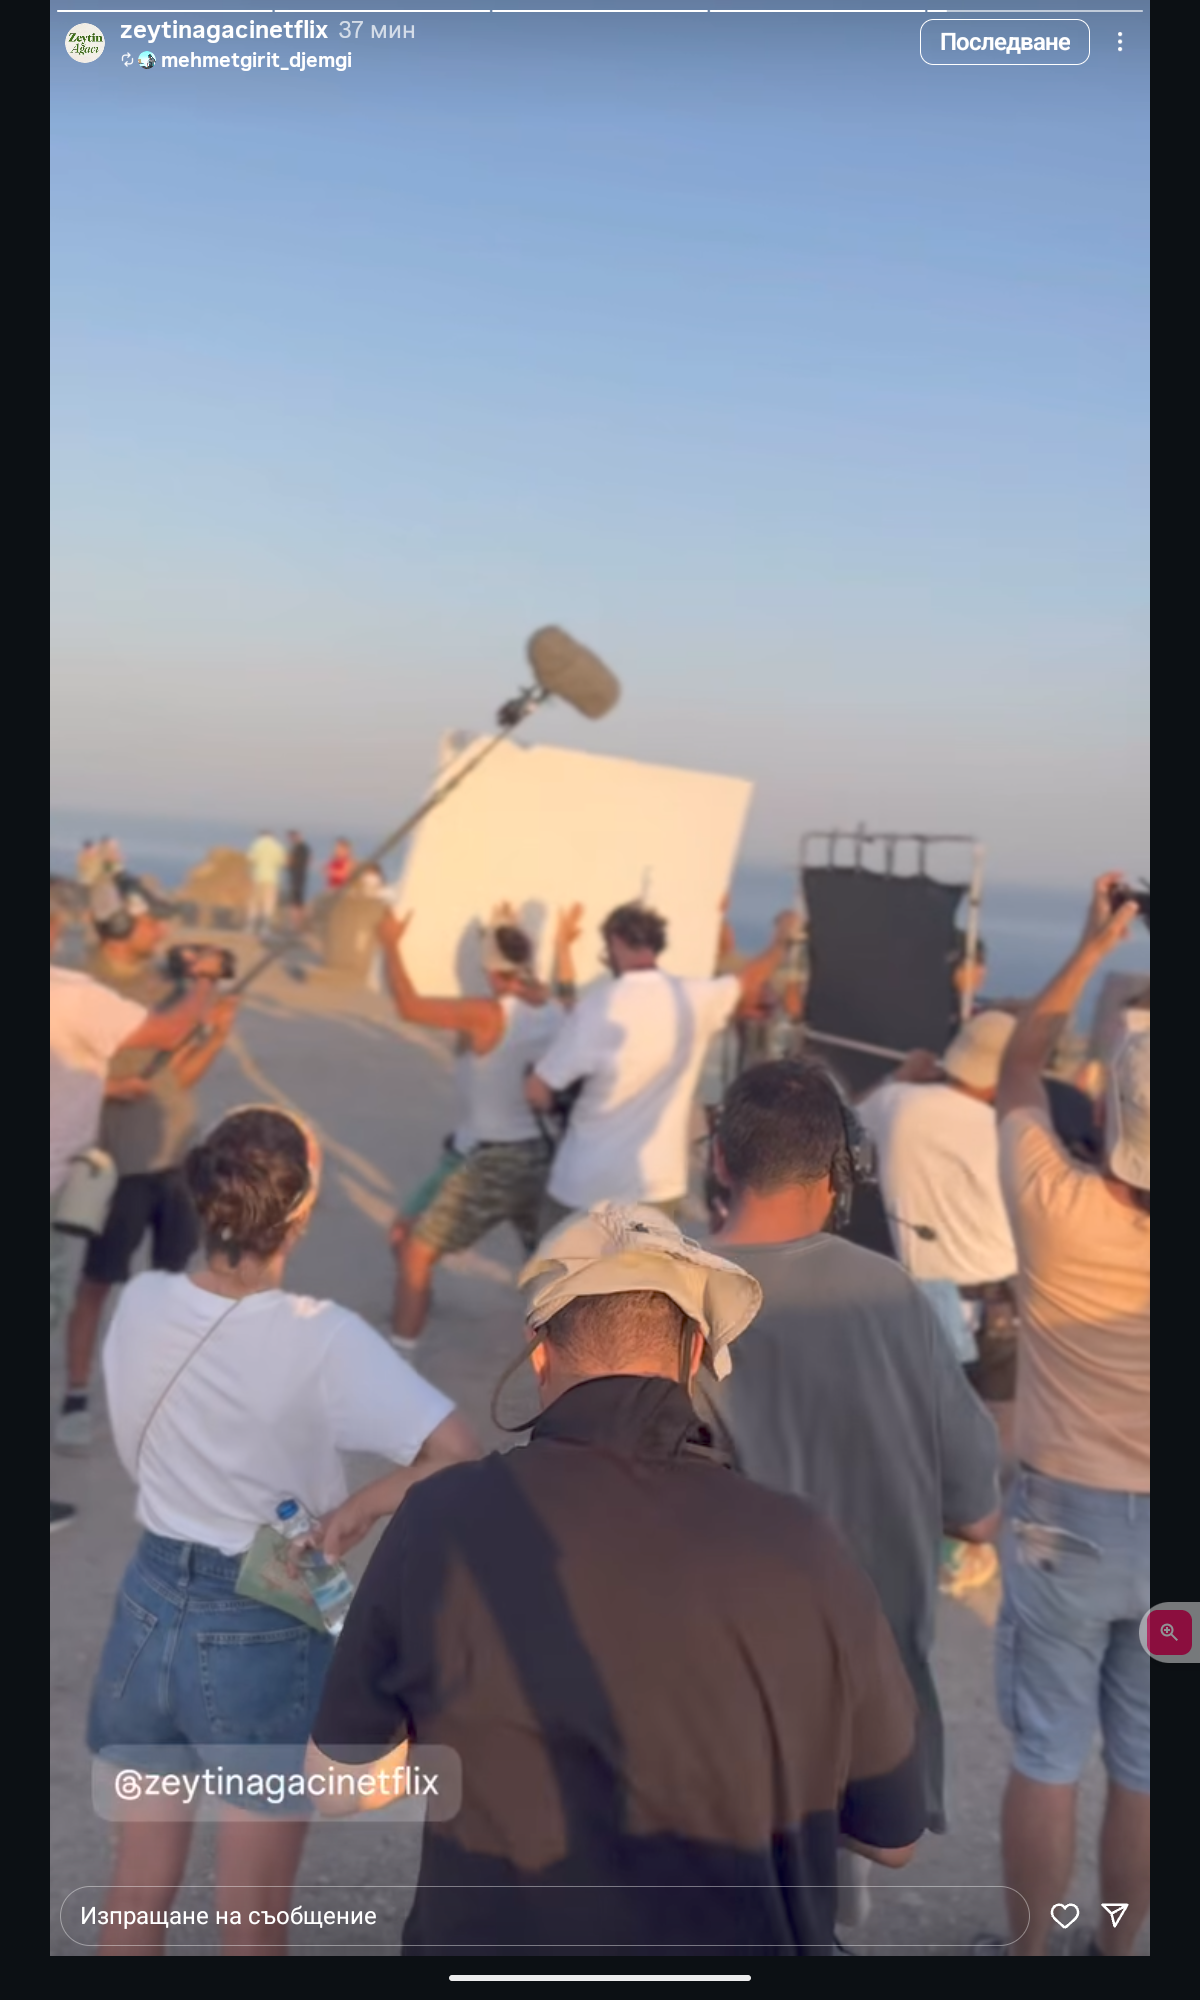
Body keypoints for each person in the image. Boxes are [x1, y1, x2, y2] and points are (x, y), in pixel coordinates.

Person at [305, 1203, 927, 1956]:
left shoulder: (439, 1519)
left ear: (540, 1355)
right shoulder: (805, 1547)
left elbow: (340, 1784)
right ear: (695, 1357)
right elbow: (892, 1836)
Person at [87, 1105, 479, 1955]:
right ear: (300, 1210)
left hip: (147, 1603)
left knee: (136, 1890)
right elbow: (457, 1454)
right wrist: (363, 1505)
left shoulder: (142, 1302)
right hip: (264, 1619)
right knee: (251, 1913)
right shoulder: (323, 1339)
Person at [695, 1059, 1000, 1946]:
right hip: (867, 1699)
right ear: (841, 1171)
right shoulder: (894, 1294)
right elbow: (977, 1509)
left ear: (720, 1160)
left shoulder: (674, 1297)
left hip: (718, 1694)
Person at [975, 876, 1150, 1960]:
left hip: (1063, 1519)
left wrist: (1092, 947)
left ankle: (1033, 1952)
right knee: (1148, 1764)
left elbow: (1017, 1067)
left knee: (1047, 1753)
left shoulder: (1056, 1206)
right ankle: (1123, 1949)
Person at [51, 877, 219, 1528]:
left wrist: (212, 1034)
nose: (162, 932)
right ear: (121, 925)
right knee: (95, 1284)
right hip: (117, 1169)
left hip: (174, 1158)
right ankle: (75, 1396)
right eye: (153, 922)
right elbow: (157, 1037)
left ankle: (162, 1399)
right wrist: (202, 983)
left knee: (172, 1286)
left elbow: (179, 1069)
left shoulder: (150, 981)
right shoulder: (87, 989)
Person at [856, 1011, 1020, 1592]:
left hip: (920, 1288)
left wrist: (901, 1074)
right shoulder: (1007, 1129)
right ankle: (965, 1539)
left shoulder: (897, 1103)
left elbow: (847, 1119)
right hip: (996, 1296)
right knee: (993, 1425)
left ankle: (914, 1531)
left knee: (918, 1420)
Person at [526, 903, 801, 1233]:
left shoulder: (597, 1007)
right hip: (656, 1187)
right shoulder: (696, 997)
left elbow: (537, 1090)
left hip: (584, 1187)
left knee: (559, 1267)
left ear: (616, 942)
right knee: (643, 1269)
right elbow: (749, 979)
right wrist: (780, 939)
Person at [379, 903, 581, 1348]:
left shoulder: (488, 1014)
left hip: (493, 1160)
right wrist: (563, 947)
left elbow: (409, 1006)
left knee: (415, 1250)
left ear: (489, 969)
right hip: (541, 1158)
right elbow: (568, 992)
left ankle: (400, 1354)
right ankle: (575, 1354)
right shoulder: (556, 1008)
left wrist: (390, 944)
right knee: (548, 1266)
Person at [715, 898, 808, 1072]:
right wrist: (783, 942)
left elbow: (795, 1009)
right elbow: (748, 976)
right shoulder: (730, 969)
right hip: (754, 1061)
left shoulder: (786, 976)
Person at [245, 830, 289, 936]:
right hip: (272, 878)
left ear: (261, 835)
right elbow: (282, 862)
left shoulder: (257, 844)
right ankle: (265, 928)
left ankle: (250, 926)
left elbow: (250, 859)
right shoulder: (278, 846)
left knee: (254, 903)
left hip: (257, 877)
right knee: (269, 903)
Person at [284, 830, 311, 928]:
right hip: (298, 875)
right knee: (297, 900)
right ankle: (296, 922)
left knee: (296, 900)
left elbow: (291, 862)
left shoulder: (300, 848)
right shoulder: (302, 848)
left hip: (298, 875)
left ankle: (296, 922)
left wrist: (289, 862)